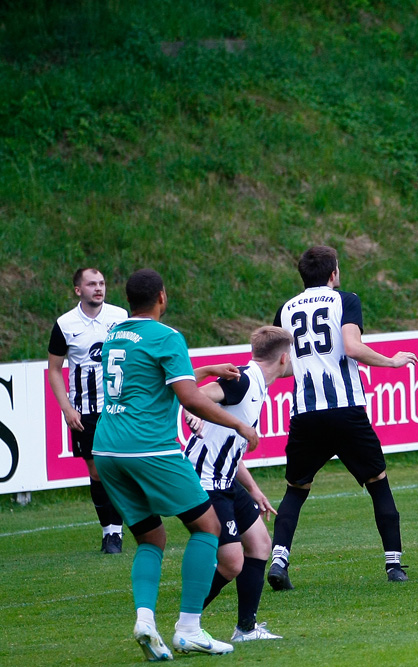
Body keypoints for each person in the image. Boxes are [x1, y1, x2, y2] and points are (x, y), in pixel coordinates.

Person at [92, 268, 261, 660]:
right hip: (148, 448)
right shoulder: (168, 337)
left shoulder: (115, 333)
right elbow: (190, 399)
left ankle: (146, 621)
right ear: (162, 298)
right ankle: (188, 627)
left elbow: (154, 381)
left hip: (107, 451)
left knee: (151, 537)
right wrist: (239, 424)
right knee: (208, 527)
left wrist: (205, 370)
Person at [268, 245, 418, 591]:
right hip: (345, 408)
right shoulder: (345, 300)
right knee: (378, 482)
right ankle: (393, 564)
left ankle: (279, 560)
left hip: (306, 413)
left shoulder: (286, 309)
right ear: (333, 273)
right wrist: (392, 361)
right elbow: (351, 346)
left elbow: (281, 365)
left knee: (295, 490)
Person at [184, 326, 292, 643]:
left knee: (259, 544)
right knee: (232, 563)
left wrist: (254, 489)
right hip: (205, 481)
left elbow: (229, 444)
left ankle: (245, 629)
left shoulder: (256, 384)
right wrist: (194, 413)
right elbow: (196, 395)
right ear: (284, 359)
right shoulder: (243, 381)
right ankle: (186, 623)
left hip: (227, 480)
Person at [46, 268, 128, 554]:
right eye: (91, 284)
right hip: (84, 411)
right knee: (97, 472)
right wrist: (67, 408)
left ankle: (117, 532)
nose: (98, 288)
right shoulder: (65, 324)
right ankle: (108, 531)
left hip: (118, 406)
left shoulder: (120, 317)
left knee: (118, 467)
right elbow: (54, 370)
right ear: (78, 290)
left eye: (102, 283)